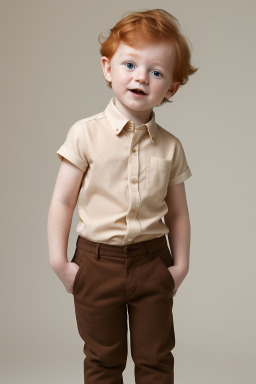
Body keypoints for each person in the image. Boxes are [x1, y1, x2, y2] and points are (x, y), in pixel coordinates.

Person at [47, 8, 198, 384]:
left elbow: (178, 213)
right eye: (129, 64)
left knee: (156, 360)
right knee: (102, 361)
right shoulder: (84, 134)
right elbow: (63, 202)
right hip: (96, 263)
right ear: (107, 68)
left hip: (152, 262)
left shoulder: (170, 147)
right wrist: (59, 263)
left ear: (171, 88)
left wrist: (179, 267)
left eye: (157, 72)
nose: (141, 77)